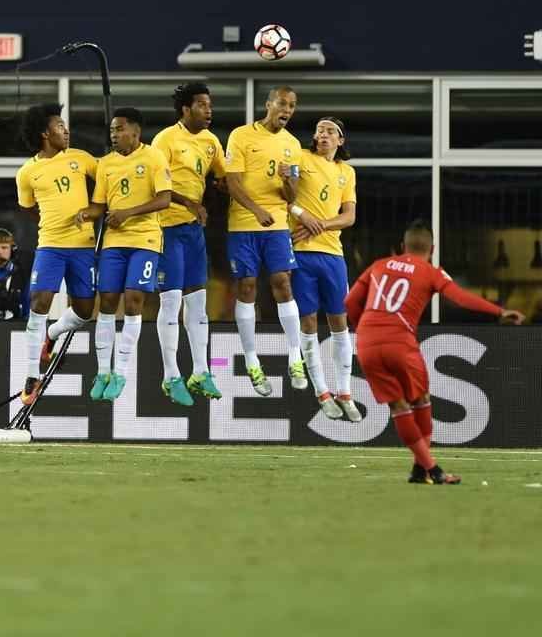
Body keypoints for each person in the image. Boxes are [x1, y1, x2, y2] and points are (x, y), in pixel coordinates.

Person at [345, 221, 524, 484]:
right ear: (433, 248)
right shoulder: (430, 272)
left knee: (398, 406)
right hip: (399, 342)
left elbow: (349, 303)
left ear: (402, 247)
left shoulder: (379, 265)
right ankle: (434, 470)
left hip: (367, 341)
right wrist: (499, 311)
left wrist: (365, 330)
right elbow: (460, 297)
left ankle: (420, 471)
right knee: (420, 400)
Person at [15, 103, 102, 404]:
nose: (66, 130)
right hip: (50, 246)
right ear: (44, 133)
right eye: (60, 126)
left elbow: (107, 184)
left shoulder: (80, 159)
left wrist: (93, 210)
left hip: (82, 247)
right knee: (39, 301)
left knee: (84, 310)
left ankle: (52, 334)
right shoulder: (28, 172)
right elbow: (27, 209)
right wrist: (51, 224)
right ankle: (31, 375)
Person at [224, 86, 306, 396]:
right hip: (244, 225)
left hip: (276, 226)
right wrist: (256, 210)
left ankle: (295, 356)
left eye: (293, 106)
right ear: (268, 104)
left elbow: (292, 195)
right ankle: (252, 360)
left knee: (283, 282)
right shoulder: (241, 136)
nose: (288, 110)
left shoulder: (293, 145)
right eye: (283, 103)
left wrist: (288, 179)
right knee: (247, 287)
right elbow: (232, 183)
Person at [151, 82, 227, 404]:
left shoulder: (211, 141)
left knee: (198, 305)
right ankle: (170, 375)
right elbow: (159, 189)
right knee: (171, 303)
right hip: (166, 229)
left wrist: (226, 186)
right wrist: (191, 204)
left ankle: (201, 371)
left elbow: (222, 176)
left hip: (193, 232)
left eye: (209, 105)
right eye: (201, 105)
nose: (208, 110)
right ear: (185, 109)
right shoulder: (165, 140)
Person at [89, 107, 172, 401]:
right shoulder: (105, 164)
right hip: (113, 241)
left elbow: (164, 199)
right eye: (112, 129)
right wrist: (85, 214)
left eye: (119, 129)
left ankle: (121, 372)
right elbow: (100, 205)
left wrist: (128, 213)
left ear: (135, 132)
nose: (114, 134)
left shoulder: (153, 157)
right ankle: (103, 372)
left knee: (134, 300)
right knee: (107, 302)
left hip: (145, 239)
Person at [289, 117, 359, 421]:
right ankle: (322, 392)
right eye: (319, 130)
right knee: (308, 323)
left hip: (332, 255)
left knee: (339, 322)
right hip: (301, 254)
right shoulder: (300, 158)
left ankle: (345, 391)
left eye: (330, 131)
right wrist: (301, 214)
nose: (323, 134)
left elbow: (349, 217)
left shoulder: (347, 172)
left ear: (340, 140)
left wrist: (319, 226)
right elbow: (282, 196)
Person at [0, 227, 29, 320]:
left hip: (13, 329)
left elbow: (28, 312)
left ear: (12, 250)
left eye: (4, 247)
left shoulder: (22, 276)